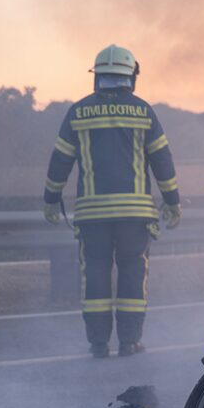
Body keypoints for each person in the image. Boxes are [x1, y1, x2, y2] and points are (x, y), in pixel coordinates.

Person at [42, 44, 181, 357]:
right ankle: (130, 342)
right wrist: (173, 201)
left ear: (97, 77)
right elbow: (162, 160)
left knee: (95, 278)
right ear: (131, 78)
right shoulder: (144, 111)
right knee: (133, 276)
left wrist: (51, 199)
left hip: (93, 217)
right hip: (135, 216)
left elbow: (60, 160)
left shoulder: (78, 112)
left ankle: (98, 344)